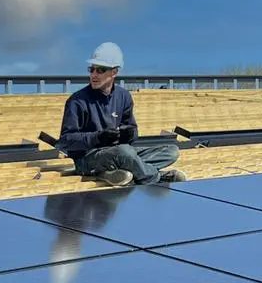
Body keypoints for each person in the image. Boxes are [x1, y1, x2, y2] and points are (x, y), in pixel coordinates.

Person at [57, 42, 188, 187]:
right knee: (125, 152)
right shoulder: (77, 101)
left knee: (171, 151)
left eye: (100, 70)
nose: (94, 74)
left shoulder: (124, 96)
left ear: (114, 72)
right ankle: (157, 178)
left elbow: (132, 130)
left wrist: (129, 135)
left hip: (120, 152)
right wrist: (98, 138)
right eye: (91, 69)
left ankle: (112, 173)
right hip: (88, 159)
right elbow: (65, 141)